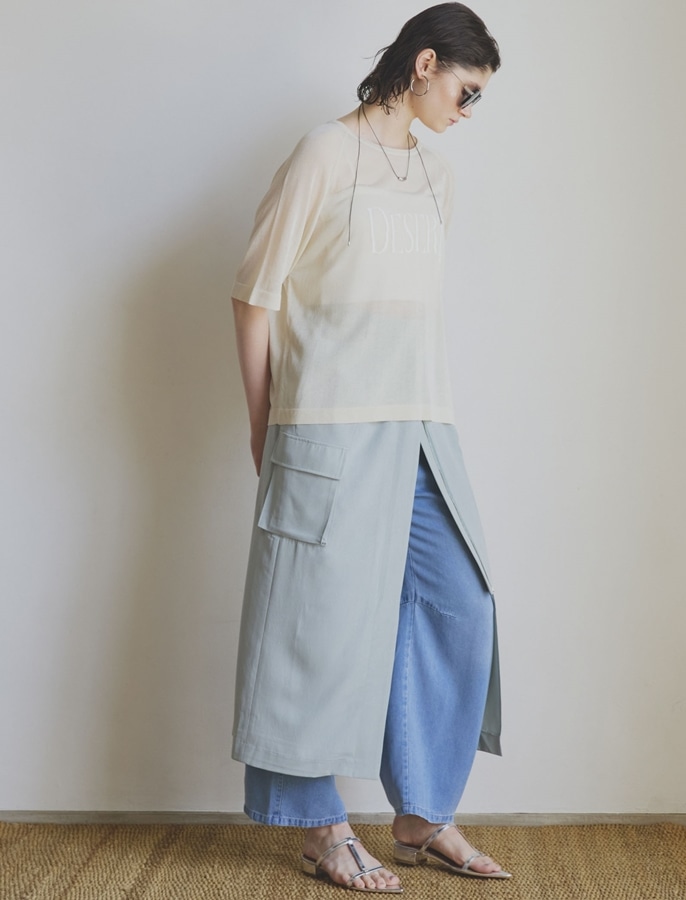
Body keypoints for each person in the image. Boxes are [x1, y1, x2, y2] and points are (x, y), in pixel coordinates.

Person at [230, 3, 508, 892]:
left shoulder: (437, 177)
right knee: (312, 622)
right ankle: (319, 824)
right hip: (328, 420)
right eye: (467, 91)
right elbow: (254, 295)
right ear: (425, 65)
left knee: (458, 601)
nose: (469, 111)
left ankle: (422, 813)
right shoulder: (324, 153)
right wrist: (264, 422)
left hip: (423, 421)